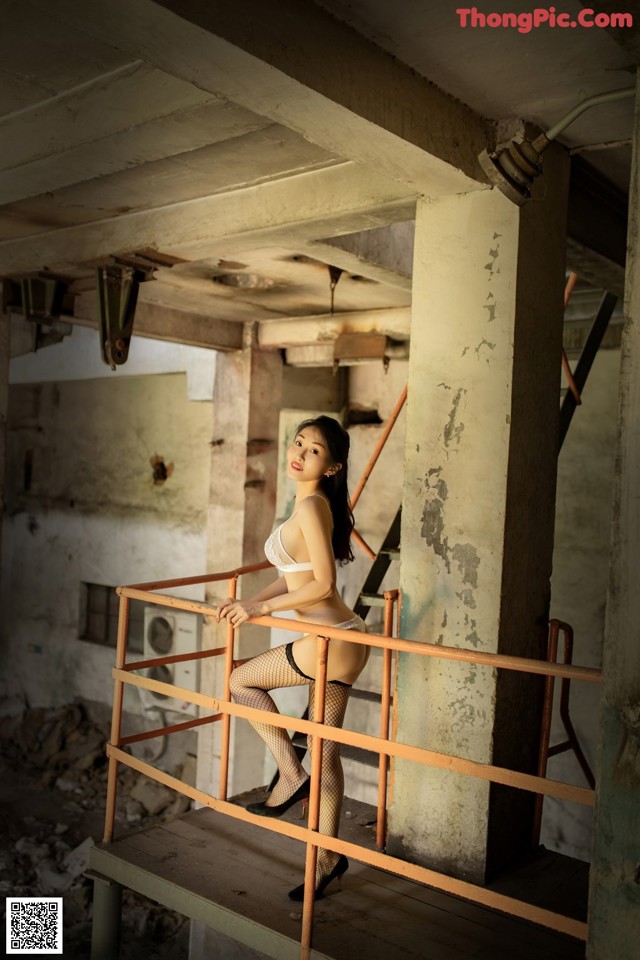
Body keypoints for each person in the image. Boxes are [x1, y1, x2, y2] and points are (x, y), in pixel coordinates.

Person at [216, 415, 368, 901]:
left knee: (241, 683)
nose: (300, 451)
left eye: (315, 450)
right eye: (299, 442)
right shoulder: (311, 504)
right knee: (325, 753)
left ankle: (289, 774)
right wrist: (253, 602)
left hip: (328, 640)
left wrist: (259, 607)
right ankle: (327, 859)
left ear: (332, 466)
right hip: (338, 638)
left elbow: (323, 584)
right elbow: (295, 575)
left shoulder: (310, 506)